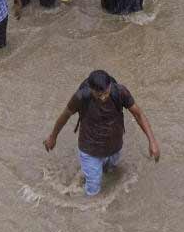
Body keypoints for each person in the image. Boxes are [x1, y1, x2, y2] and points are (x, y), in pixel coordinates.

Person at [43, 69, 160, 198]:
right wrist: (53, 137)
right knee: (93, 192)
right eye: (99, 95)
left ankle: (89, 174)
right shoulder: (81, 97)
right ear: (91, 89)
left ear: (110, 86)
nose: (103, 97)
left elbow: (139, 115)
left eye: (106, 93)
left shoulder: (120, 92)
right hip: (90, 151)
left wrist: (152, 141)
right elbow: (64, 116)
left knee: (111, 173)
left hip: (115, 148)